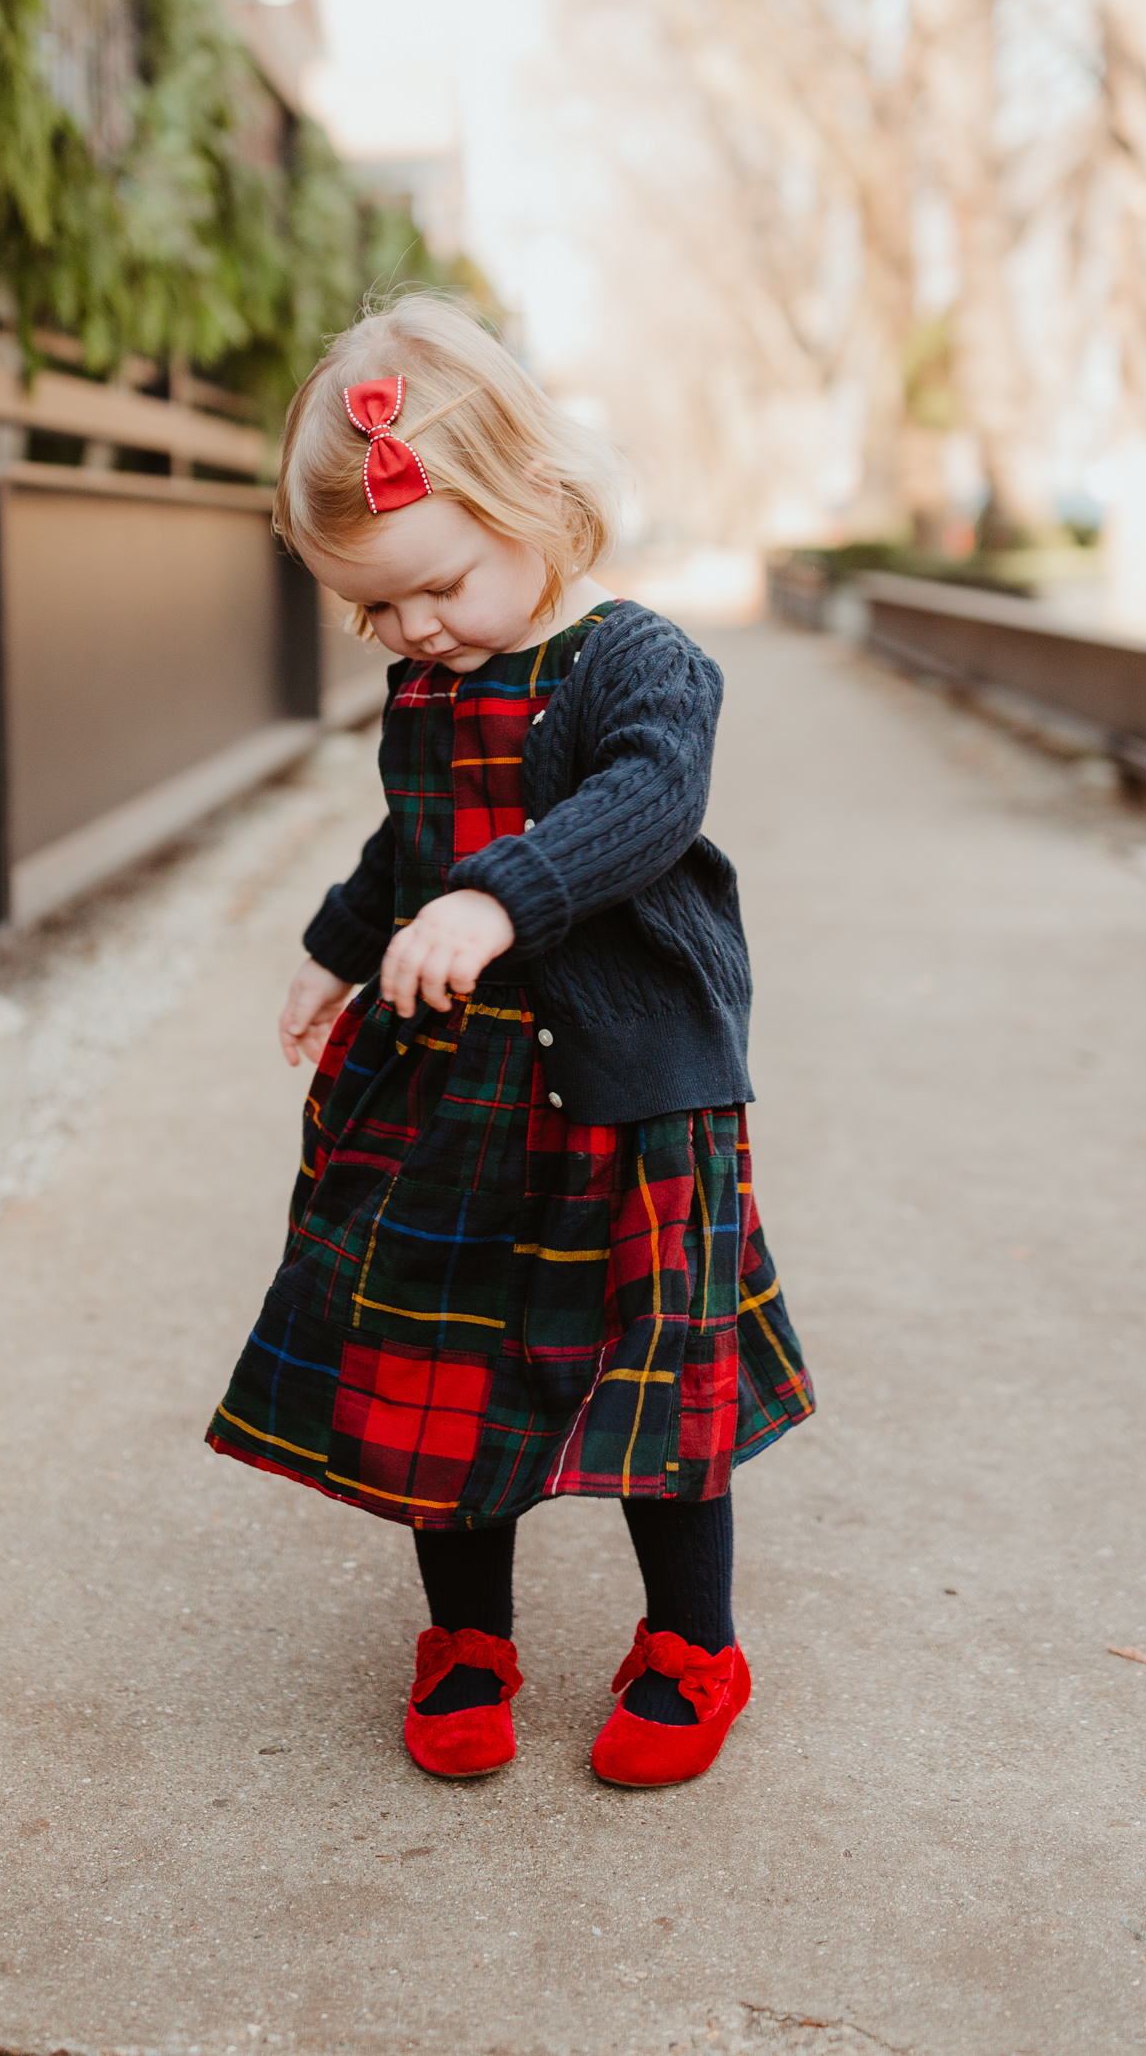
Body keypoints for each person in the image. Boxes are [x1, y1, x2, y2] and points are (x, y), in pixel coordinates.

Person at [206, 294, 813, 1788]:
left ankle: (693, 1643)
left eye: (438, 587)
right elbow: (409, 845)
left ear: (536, 499)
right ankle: (466, 1636)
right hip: (454, 1097)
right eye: (375, 612)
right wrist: (336, 948)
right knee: (438, 1364)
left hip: (627, 1096)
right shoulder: (428, 688)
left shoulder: (637, 663)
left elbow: (643, 805)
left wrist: (498, 902)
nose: (414, 631)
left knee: (659, 1382)